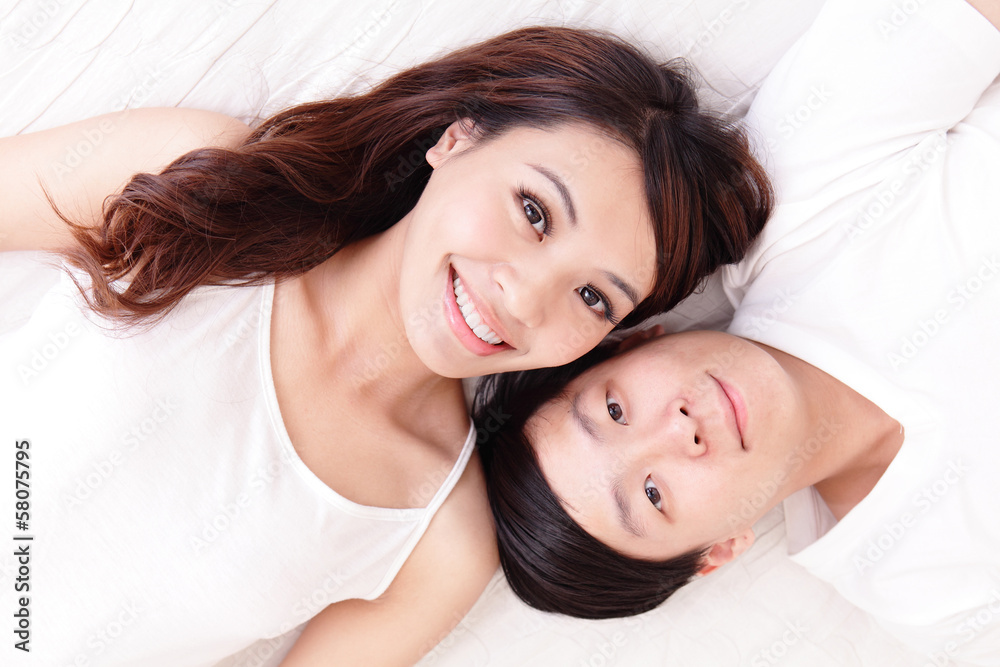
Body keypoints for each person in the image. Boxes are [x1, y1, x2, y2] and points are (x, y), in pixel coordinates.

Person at [0, 25, 771, 667]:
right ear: (456, 138)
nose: (523, 296)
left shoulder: (437, 537)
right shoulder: (207, 183)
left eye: (594, 295)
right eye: (534, 211)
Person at [475, 1, 1000, 665]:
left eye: (614, 409)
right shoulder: (929, 597)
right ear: (718, 552)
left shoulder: (792, 189)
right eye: (654, 494)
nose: (679, 431)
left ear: (635, 341)